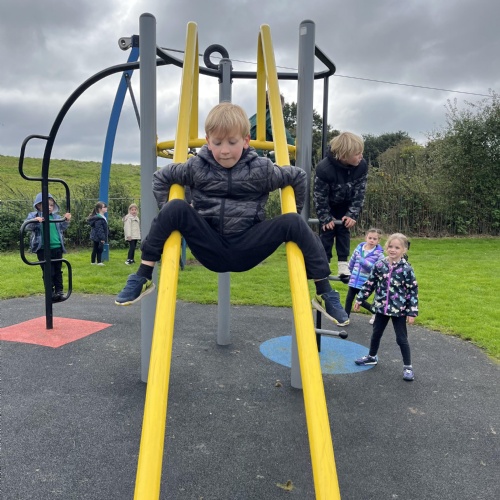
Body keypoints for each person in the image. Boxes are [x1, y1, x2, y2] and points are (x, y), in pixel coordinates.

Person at [115, 102, 349, 326]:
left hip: (248, 245)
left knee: (294, 222)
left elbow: (298, 177)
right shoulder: (197, 167)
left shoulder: (261, 170)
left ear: (246, 141)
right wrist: (177, 210)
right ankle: (143, 275)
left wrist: (294, 210)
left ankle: (324, 292)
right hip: (209, 244)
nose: (224, 150)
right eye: (217, 143)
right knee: (175, 207)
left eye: (232, 142)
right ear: (208, 141)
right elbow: (161, 177)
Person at [353, 233, 418, 381]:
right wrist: (360, 298)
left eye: (397, 247)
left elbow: (412, 291)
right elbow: (370, 283)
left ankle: (408, 366)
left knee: (401, 338)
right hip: (381, 308)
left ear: (404, 250)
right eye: (390, 246)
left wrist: (412, 311)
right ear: (386, 247)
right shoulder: (380, 265)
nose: (393, 250)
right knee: (376, 333)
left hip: (399, 310)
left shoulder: (407, 269)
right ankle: (371, 356)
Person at [313, 131, 368, 278]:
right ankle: (324, 264)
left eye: (361, 152)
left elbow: (360, 192)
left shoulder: (361, 166)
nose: (361, 156)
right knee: (327, 231)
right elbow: (320, 196)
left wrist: (352, 214)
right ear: (344, 156)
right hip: (329, 204)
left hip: (346, 204)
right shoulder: (324, 169)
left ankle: (343, 265)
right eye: (357, 154)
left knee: (344, 229)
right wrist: (325, 217)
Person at [24, 192, 71, 302]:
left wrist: (66, 220)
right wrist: (35, 221)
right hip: (43, 248)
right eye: (47, 205)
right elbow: (27, 226)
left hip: (57, 247)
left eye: (51, 205)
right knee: (48, 271)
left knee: (58, 271)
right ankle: (50, 293)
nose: (50, 207)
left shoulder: (55, 217)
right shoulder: (34, 215)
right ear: (38, 205)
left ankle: (59, 291)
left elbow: (63, 227)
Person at [344, 228, 384, 323]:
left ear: (378, 241)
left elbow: (378, 269)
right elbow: (352, 262)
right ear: (366, 238)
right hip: (354, 279)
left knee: (360, 301)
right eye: (370, 238)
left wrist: (365, 263)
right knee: (349, 299)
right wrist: (348, 273)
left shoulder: (378, 254)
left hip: (365, 282)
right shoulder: (359, 249)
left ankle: (375, 312)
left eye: (374, 239)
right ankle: (345, 318)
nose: (371, 240)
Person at [249, 93, 295, 160]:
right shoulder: (272, 116)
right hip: (259, 156)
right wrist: (295, 147)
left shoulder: (254, 118)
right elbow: (284, 138)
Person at [87, 201, 108, 266]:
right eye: (104, 207)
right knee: (99, 249)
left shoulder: (100, 217)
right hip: (98, 236)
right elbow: (99, 229)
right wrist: (102, 238)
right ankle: (99, 262)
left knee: (95, 248)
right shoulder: (99, 218)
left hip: (96, 236)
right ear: (100, 209)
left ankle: (93, 261)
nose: (106, 208)